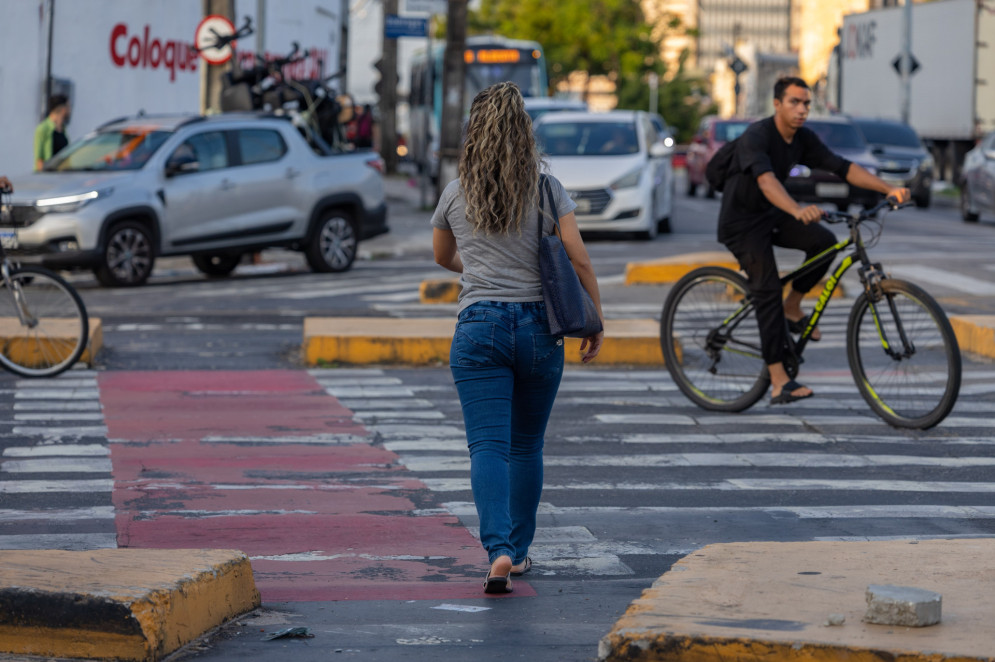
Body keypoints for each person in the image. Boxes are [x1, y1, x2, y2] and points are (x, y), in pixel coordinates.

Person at [431, 82, 604, 594]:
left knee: (487, 445)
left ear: (474, 132)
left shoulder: (457, 190)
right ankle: (522, 551)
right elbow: (578, 257)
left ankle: (497, 549)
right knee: (526, 446)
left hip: (478, 325)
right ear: (524, 130)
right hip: (537, 329)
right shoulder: (547, 189)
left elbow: (442, 256)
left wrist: (479, 271)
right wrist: (594, 319)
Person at [718, 76, 909, 404]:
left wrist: (887, 188)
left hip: (775, 215)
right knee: (766, 291)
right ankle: (779, 381)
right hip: (743, 223)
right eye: (794, 102)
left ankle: (793, 306)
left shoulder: (802, 139)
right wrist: (796, 209)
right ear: (777, 104)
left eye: (806, 103)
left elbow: (843, 167)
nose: (802, 109)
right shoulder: (757, 136)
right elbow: (765, 181)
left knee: (823, 242)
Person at [34, 94, 71, 171]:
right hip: (49, 176)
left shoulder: (63, 129)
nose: (70, 110)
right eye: (68, 107)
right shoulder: (43, 129)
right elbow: (39, 160)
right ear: (63, 109)